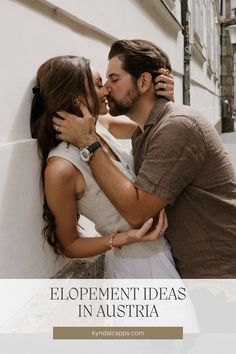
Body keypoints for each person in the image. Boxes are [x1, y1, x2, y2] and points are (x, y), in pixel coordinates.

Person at [53, 40, 236, 278]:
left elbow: (138, 214)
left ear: (143, 82)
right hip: (187, 269)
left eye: (113, 79)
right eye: (103, 81)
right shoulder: (149, 127)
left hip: (216, 274)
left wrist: (89, 144)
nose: (107, 88)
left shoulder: (177, 126)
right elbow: (115, 125)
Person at [31, 55, 180, 278]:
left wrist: (163, 99)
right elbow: (69, 244)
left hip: (164, 252)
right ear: (76, 99)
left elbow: (157, 129)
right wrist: (124, 238)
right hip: (136, 269)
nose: (107, 90)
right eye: (99, 84)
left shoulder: (100, 126)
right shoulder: (61, 167)